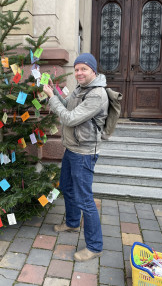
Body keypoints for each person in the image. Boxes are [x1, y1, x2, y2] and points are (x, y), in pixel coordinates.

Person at [43, 53, 109, 262]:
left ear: (93, 71)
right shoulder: (81, 89)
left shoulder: (97, 94)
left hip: (84, 154)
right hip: (72, 149)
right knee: (66, 186)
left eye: (84, 69)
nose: (79, 73)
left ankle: (95, 246)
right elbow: (68, 107)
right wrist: (54, 93)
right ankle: (72, 223)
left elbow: (69, 119)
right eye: (77, 69)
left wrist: (52, 99)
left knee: (85, 199)